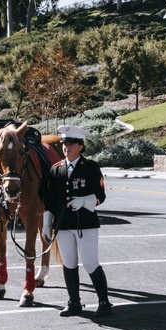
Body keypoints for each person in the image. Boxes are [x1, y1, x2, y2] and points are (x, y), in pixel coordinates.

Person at [43, 124, 112, 318]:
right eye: (65, 143)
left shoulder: (90, 167)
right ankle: (74, 302)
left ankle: (104, 302)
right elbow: (50, 199)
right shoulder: (56, 169)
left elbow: (100, 196)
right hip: (63, 224)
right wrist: (46, 224)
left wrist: (84, 201)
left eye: (72, 144)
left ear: (81, 146)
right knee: (69, 263)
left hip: (85, 223)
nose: (67, 147)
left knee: (90, 263)